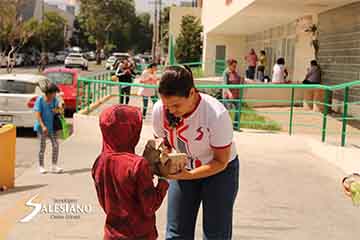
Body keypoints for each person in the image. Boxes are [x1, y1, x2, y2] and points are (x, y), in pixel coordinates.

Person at [152, 65, 240, 240]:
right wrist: (164, 157)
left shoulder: (216, 115)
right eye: (166, 105)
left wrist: (187, 175)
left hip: (219, 172)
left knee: (215, 233)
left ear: (192, 93)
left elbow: (220, 161)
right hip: (184, 168)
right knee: (176, 232)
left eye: (176, 105)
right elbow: (162, 143)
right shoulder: (160, 111)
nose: (171, 111)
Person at [92, 105, 169, 240]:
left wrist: (146, 166)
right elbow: (150, 205)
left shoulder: (99, 162)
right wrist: (164, 178)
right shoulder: (137, 165)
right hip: (140, 234)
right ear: (130, 131)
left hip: (112, 233)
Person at [33, 83, 63, 174]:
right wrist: (43, 126)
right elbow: (37, 114)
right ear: (49, 93)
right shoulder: (40, 100)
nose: (55, 95)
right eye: (54, 93)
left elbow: (59, 110)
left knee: (55, 145)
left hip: (52, 128)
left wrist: (58, 109)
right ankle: (41, 166)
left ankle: (54, 165)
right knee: (42, 147)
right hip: (42, 128)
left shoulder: (54, 100)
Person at [223, 59, 244, 129]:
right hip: (228, 96)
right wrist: (229, 93)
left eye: (235, 66)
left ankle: (235, 125)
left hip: (236, 96)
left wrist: (242, 79)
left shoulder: (236, 73)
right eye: (233, 66)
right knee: (227, 112)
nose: (235, 67)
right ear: (229, 65)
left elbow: (239, 81)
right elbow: (225, 85)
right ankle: (226, 127)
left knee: (238, 109)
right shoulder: (226, 73)